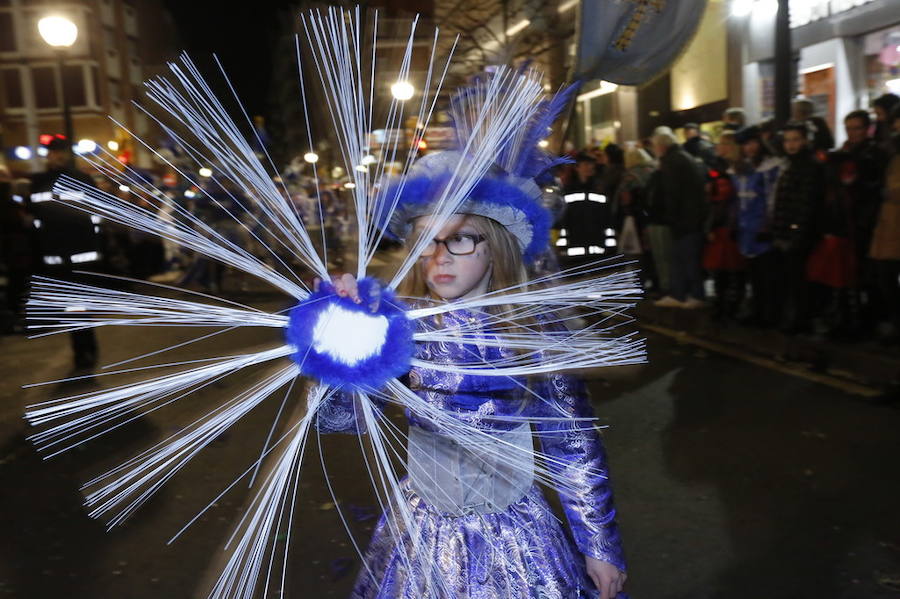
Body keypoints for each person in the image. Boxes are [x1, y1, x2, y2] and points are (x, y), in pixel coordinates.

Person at [317, 148, 629, 599]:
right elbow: (340, 421)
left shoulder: (533, 332)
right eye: (427, 240)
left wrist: (599, 544)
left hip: (515, 539)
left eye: (460, 239)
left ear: (495, 246)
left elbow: (572, 441)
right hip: (421, 534)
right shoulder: (399, 325)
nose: (440, 256)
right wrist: (340, 340)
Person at [27, 136, 102, 371]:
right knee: (72, 304)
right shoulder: (39, 182)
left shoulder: (82, 179)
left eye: (61, 152)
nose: (57, 156)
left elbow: (96, 212)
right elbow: (34, 217)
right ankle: (84, 349)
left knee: (77, 304)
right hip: (56, 254)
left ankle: (84, 350)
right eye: (53, 152)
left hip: (80, 254)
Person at [770, 122, 824, 334]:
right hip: (787, 230)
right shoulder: (791, 164)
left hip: (799, 233)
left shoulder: (809, 166)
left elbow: (807, 204)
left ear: (805, 141)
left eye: (795, 140)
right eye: (788, 140)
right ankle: (795, 318)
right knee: (791, 278)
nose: (791, 144)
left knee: (799, 278)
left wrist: (796, 232)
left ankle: (801, 320)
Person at [650, 129, 708, 308]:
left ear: (660, 146)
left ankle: (694, 294)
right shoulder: (680, 157)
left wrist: (671, 216)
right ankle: (680, 293)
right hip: (688, 217)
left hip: (684, 219)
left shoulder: (673, 161)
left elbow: (673, 193)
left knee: (686, 258)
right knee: (680, 257)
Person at [733, 125, 784, 326]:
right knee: (754, 275)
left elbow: (772, 198)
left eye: (752, 142)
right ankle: (757, 311)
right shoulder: (742, 168)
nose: (750, 148)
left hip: (763, 227)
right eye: (745, 144)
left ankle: (769, 315)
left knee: (768, 275)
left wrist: (768, 225)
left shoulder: (771, 167)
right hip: (747, 228)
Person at [702, 131, 745, 319]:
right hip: (722, 224)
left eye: (721, 143)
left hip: (729, 225)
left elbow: (723, 200)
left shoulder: (732, 170)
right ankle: (723, 305)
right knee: (722, 270)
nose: (717, 147)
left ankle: (729, 307)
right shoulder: (719, 169)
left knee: (731, 269)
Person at [561, 152, 615, 262]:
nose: (589, 167)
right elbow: (563, 220)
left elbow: (607, 218)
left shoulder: (600, 189)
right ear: (577, 167)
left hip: (598, 246)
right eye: (586, 164)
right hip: (574, 247)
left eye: (591, 164)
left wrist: (610, 244)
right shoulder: (568, 190)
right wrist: (562, 245)